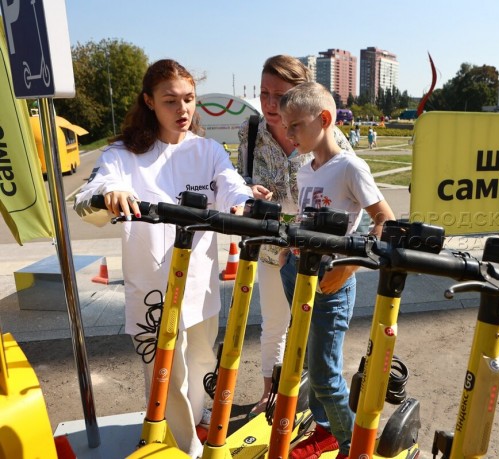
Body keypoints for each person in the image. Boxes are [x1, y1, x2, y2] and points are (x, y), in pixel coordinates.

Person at [73, 59, 252, 458]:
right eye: (170, 101)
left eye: (189, 99)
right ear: (148, 102)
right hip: (154, 288)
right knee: (165, 375)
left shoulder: (207, 151)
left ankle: (196, 430)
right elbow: (97, 187)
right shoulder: (124, 153)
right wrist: (111, 193)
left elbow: (231, 186)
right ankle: (181, 447)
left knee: (203, 362)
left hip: (200, 283)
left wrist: (244, 204)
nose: (183, 110)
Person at [278, 81, 395, 459]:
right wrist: (287, 252)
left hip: (331, 280)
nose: (288, 133)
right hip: (298, 272)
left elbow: (384, 222)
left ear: (324, 119)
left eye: (295, 125)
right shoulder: (305, 169)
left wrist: (348, 269)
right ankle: (326, 430)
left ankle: (355, 447)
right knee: (308, 362)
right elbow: (305, 218)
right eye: (285, 125)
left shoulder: (349, 166)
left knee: (326, 375)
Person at [236, 55, 354, 419]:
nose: (270, 104)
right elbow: (239, 179)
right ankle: (272, 393)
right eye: (264, 93)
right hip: (273, 245)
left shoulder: (329, 136)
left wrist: (348, 265)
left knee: (317, 330)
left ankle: (316, 401)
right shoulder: (251, 130)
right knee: (274, 319)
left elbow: (358, 202)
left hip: (316, 251)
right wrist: (248, 192)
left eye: (280, 95)